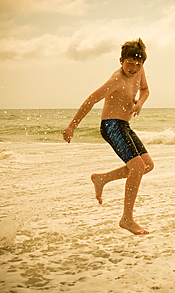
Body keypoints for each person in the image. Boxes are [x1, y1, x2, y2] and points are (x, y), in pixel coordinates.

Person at [62, 38, 154, 235]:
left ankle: (102, 179)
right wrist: (72, 126)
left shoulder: (139, 71)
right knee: (137, 166)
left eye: (138, 64)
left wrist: (140, 103)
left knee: (147, 165)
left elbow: (145, 90)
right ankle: (127, 219)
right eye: (130, 63)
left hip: (124, 125)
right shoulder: (117, 80)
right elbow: (91, 100)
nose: (134, 68)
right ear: (121, 60)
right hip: (111, 125)